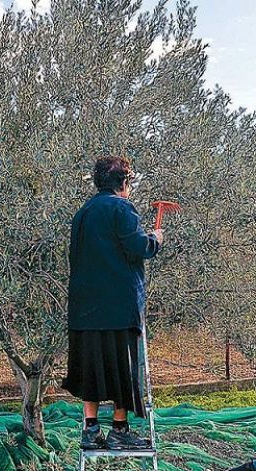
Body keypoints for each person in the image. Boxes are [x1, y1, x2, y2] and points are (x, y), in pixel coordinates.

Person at [62, 155, 164, 451]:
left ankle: (91, 431)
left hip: (84, 307)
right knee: (123, 368)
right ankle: (119, 430)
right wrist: (155, 239)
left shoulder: (83, 213)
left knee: (91, 367)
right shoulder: (122, 207)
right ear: (123, 183)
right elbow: (138, 247)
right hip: (118, 307)